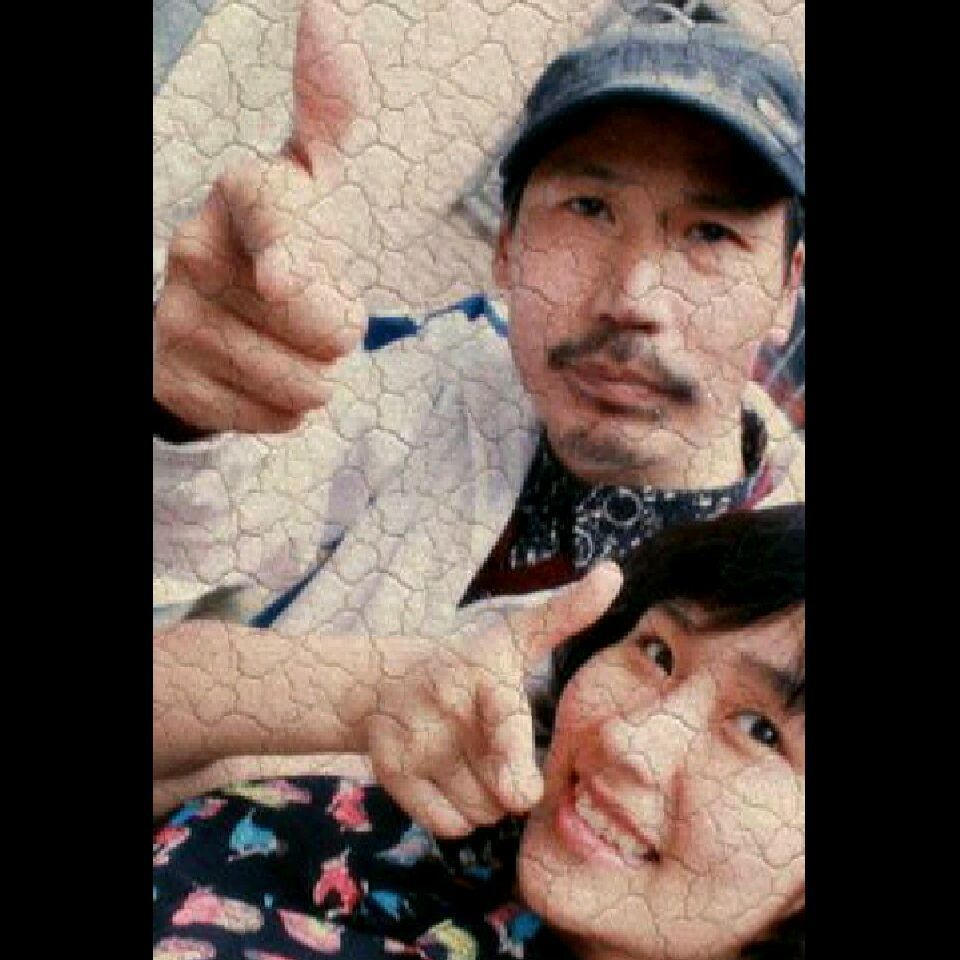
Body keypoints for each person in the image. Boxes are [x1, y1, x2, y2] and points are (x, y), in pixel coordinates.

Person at [153, 0, 806, 814]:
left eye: (710, 234)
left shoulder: (787, 601)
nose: (634, 298)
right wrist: (191, 412)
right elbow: (212, 528)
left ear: (788, 290)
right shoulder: (446, 366)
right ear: (505, 245)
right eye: (589, 209)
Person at [154, 505, 806, 960]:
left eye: (762, 732)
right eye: (657, 653)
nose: (629, 741)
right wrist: (365, 692)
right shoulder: (437, 823)